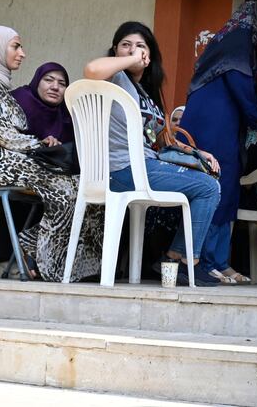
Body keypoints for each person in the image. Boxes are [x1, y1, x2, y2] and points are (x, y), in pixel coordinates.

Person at [0, 26, 103, 281]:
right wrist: (42, 149)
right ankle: (48, 264)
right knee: (63, 187)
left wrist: (42, 146)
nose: (22, 53)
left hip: (12, 156)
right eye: (15, 46)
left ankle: (47, 253)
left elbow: (12, 131)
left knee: (83, 186)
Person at [84, 21, 222, 286]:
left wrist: (194, 151)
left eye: (139, 46)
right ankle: (185, 263)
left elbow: (161, 140)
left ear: (149, 57)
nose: (132, 50)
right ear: (115, 51)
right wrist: (129, 59)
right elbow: (91, 70)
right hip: (122, 169)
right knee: (207, 188)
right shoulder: (116, 78)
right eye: (125, 45)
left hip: (145, 165)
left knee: (209, 181)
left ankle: (172, 258)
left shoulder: (145, 93)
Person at [180, 1, 257, 285]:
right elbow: (239, 82)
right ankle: (203, 260)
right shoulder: (240, 39)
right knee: (216, 187)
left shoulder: (225, 38)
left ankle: (218, 261)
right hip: (216, 122)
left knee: (226, 188)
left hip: (216, 121)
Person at [0, 62, 74, 265]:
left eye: (62, 83)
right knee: (33, 190)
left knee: (65, 187)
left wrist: (55, 146)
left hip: (43, 174)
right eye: (48, 80)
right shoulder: (20, 100)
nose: (55, 87)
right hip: (6, 166)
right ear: (37, 81)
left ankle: (42, 263)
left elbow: (68, 151)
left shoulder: (64, 115)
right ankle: (6, 259)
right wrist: (39, 143)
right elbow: (4, 137)